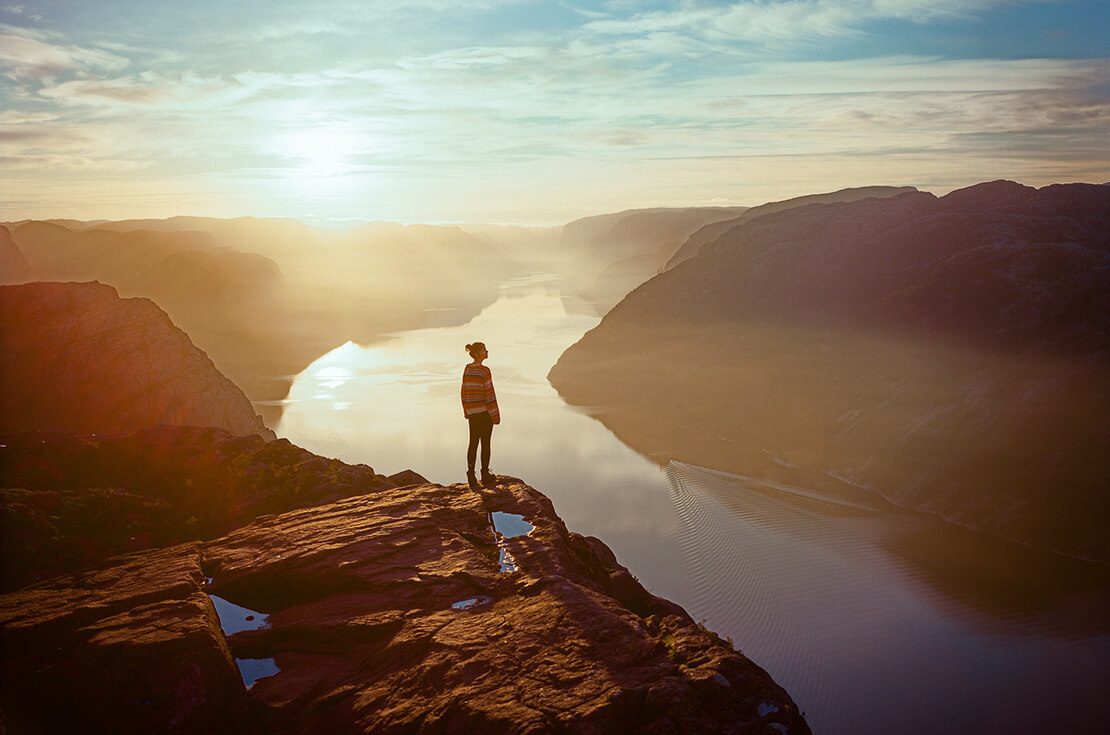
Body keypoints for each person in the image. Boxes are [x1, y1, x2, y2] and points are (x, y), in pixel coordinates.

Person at [461, 341, 500, 489]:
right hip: (484, 414)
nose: (487, 352)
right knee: (485, 443)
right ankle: (485, 475)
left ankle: (471, 474)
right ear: (478, 353)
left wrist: (466, 410)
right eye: (484, 350)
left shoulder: (467, 369)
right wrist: (495, 415)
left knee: (473, 443)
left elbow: (463, 391)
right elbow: (490, 394)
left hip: (472, 414)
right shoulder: (484, 371)